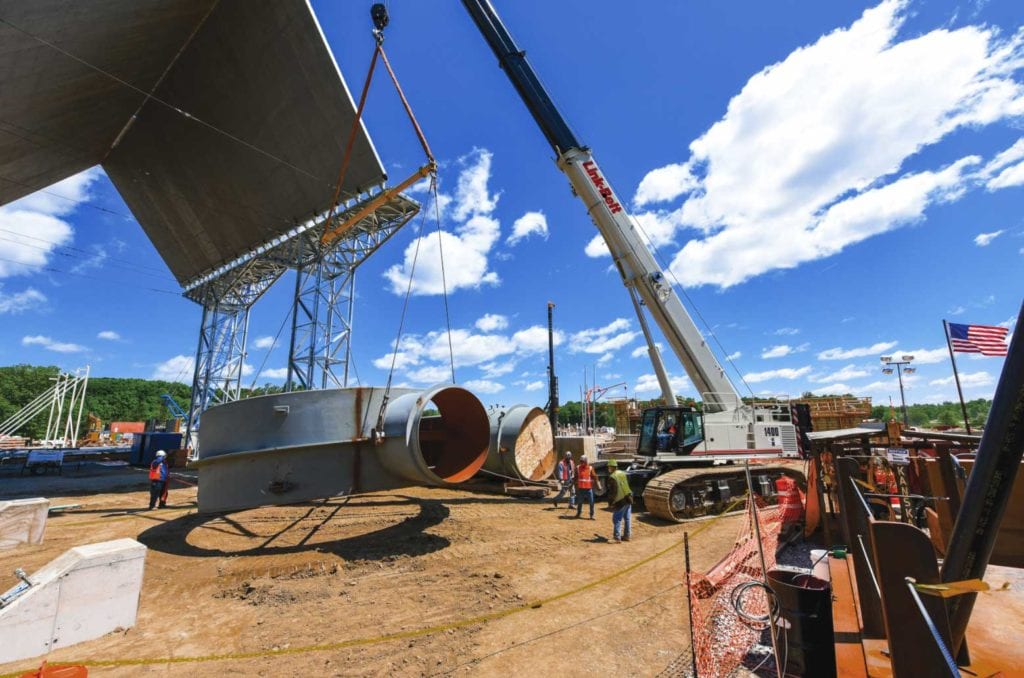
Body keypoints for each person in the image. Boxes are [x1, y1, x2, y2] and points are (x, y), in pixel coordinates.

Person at [605, 459, 633, 542]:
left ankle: (617, 537)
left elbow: (613, 491)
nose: (608, 468)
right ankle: (627, 536)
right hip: (629, 497)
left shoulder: (612, 477)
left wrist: (611, 503)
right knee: (627, 518)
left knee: (617, 518)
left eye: (609, 467)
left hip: (621, 500)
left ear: (611, 467)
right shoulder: (622, 473)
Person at [574, 454, 599, 519]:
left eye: (583, 461)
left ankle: (592, 515)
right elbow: (575, 477)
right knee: (579, 502)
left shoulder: (590, 468)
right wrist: (573, 484)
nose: (581, 463)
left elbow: (594, 476)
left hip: (588, 488)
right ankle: (578, 513)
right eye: (581, 461)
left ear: (586, 461)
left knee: (591, 502)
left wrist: (598, 485)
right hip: (581, 488)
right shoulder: (577, 468)